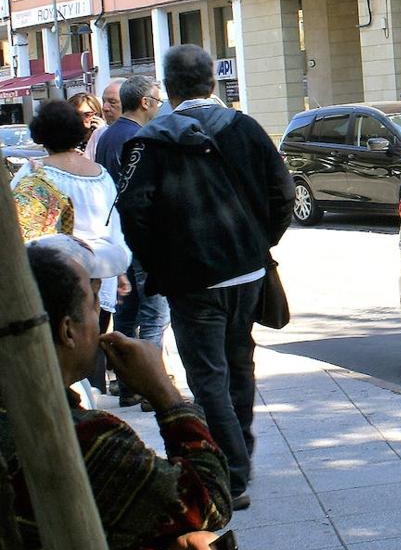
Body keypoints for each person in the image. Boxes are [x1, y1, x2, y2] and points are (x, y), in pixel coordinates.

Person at [10, 238, 401, 550]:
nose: (104, 319)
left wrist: (169, 548)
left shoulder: (33, 419)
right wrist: (165, 393)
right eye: (95, 305)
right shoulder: (83, 440)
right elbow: (210, 501)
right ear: (67, 330)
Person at [117, 44, 294, 511]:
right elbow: (284, 193)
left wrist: (160, 263)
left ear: (168, 88)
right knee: (238, 364)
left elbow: (134, 212)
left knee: (207, 375)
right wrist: (260, 243)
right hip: (248, 271)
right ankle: (240, 457)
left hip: (192, 280)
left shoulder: (150, 142)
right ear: (213, 82)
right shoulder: (247, 129)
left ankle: (232, 473)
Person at [11, 100, 131, 398]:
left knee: (62, 346)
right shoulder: (100, 173)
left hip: (56, 274)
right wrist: (120, 272)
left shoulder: (34, 174)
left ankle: (82, 405)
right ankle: (94, 398)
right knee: (93, 339)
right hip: (101, 270)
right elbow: (115, 226)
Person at [97, 76, 171, 367]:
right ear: (145, 103)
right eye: (157, 101)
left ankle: (127, 382)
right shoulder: (139, 138)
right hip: (140, 237)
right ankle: (150, 382)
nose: (158, 107)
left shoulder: (108, 135)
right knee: (154, 316)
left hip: (119, 236)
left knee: (126, 314)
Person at [69, 92, 105, 160]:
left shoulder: (103, 134)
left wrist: (102, 133)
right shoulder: (65, 136)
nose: (81, 119)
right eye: (77, 115)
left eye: (87, 114)